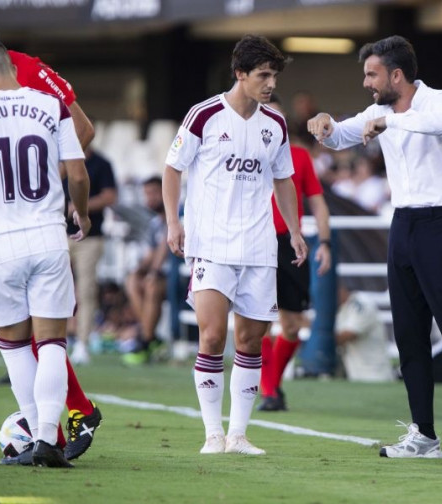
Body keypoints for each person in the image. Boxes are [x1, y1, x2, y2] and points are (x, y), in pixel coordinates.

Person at [307, 35, 442, 461]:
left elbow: (436, 125)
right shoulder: (379, 110)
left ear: (396, 75)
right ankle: (423, 434)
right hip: (404, 223)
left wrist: (388, 123)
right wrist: (326, 124)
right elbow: (343, 134)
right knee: (409, 334)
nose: (366, 82)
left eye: (371, 74)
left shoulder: (440, 102)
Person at [0, 6, 102, 462]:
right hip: (47, 233)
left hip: (1, 240)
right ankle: (57, 426)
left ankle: (49, 429)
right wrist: (76, 207)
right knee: (51, 339)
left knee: (16, 343)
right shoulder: (39, 104)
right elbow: (77, 172)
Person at [162, 35, 307, 456]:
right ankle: (212, 433)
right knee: (211, 336)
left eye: (274, 75)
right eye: (263, 74)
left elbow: (283, 179)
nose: (270, 83)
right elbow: (172, 170)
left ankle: (239, 434)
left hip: (259, 245)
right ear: (239, 74)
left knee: (250, 339)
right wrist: (174, 222)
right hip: (211, 243)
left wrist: (295, 231)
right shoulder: (204, 115)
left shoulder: (274, 124)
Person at [257, 95, 331, 412]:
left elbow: (317, 201)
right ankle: (269, 389)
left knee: (292, 323)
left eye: (278, 119)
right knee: (255, 321)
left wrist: (324, 242)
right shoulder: (243, 154)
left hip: (290, 241)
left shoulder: (299, 156)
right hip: (254, 239)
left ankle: (273, 386)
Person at [66, 147, 118, 366]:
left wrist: (80, 207)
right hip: (59, 233)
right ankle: (54, 337)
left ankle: (82, 342)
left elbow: (110, 196)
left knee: (86, 290)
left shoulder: (101, 164)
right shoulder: (62, 159)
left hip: (90, 237)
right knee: (54, 288)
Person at [123, 176, 169, 365]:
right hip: (158, 275)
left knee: (151, 285)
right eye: (147, 194)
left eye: (154, 193)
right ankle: (150, 338)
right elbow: (150, 255)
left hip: (178, 276)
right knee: (132, 280)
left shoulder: (178, 215)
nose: (150, 198)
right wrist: (140, 270)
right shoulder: (154, 224)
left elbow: (166, 246)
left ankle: (145, 341)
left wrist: (153, 272)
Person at [334, 286, 393, 383]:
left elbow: (347, 335)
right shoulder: (341, 309)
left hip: (376, 377)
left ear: (341, 290)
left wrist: (314, 331)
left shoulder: (360, 304)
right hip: (357, 376)